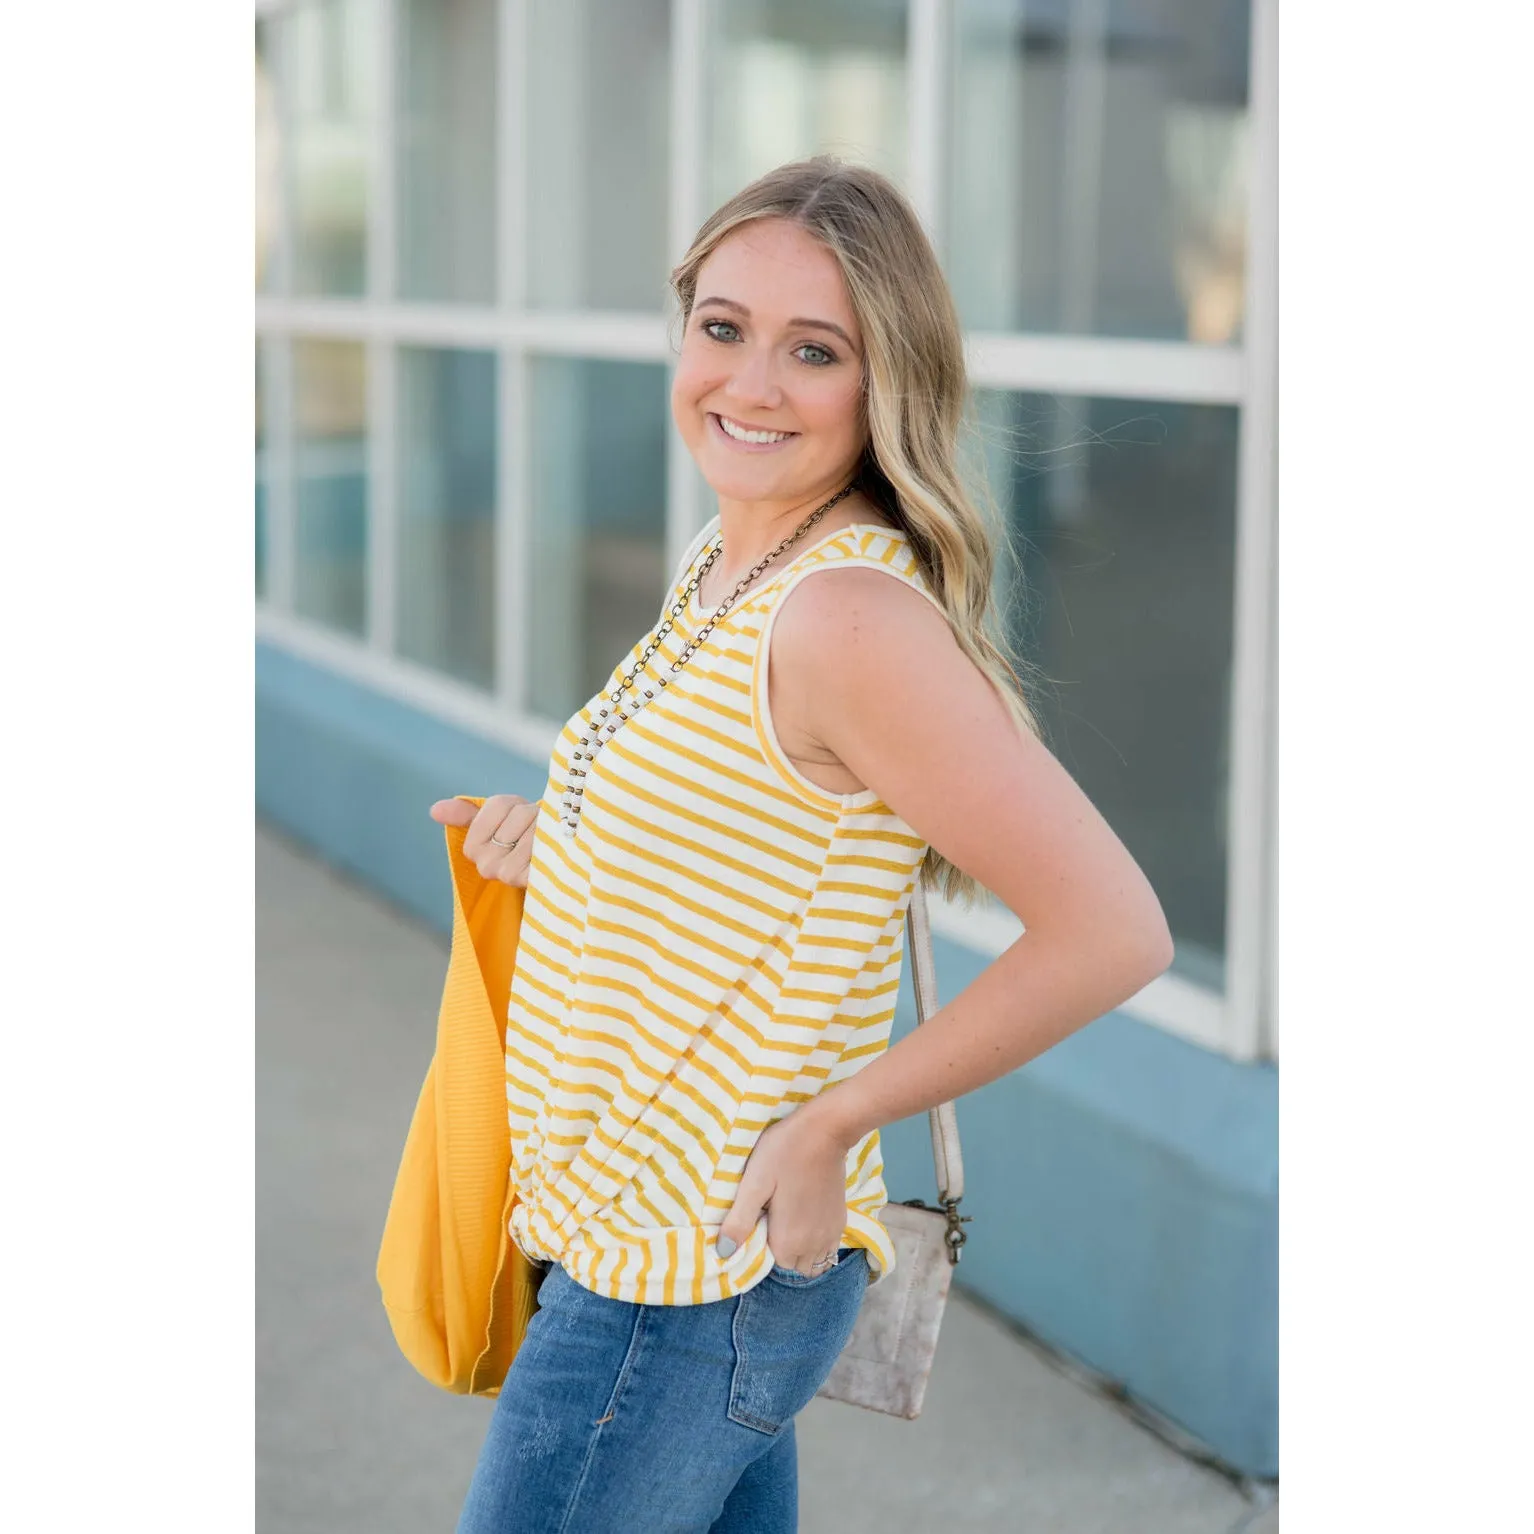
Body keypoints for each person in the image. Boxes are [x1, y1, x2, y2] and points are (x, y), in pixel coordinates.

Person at [434, 156, 1174, 1533]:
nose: (750, 383)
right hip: (633, 1244)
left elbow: (1112, 931)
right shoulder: (730, 563)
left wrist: (839, 1117)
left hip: (682, 1285)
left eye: (812, 349)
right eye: (722, 327)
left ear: (881, 382)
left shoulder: (841, 618)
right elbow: (766, 837)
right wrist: (569, 838)